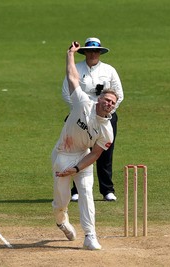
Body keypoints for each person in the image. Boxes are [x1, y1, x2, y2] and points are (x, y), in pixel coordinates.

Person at [52, 41, 119, 250]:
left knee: (86, 192)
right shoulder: (82, 102)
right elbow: (73, 78)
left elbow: (97, 153)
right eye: (106, 100)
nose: (109, 104)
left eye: (112, 103)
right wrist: (70, 54)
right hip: (62, 154)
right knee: (62, 201)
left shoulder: (107, 130)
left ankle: (90, 235)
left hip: (83, 156)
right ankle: (61, 221)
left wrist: (78, 167)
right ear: (99, 100)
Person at [61, 37, 124, 202]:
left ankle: (107, 190)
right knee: (79, 150)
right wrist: (82, 109)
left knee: (104, 152)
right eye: (90, 50)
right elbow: (67, 92)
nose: (93, 54)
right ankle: (76, 190)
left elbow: (119, 95)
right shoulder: (77, 68)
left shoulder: (109, 70)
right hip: (79, 116)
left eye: (96, 51)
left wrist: (104, 112)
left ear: (100, 52)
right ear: (85, 52)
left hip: (104, 117)